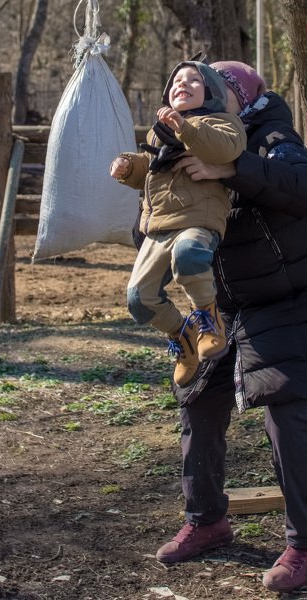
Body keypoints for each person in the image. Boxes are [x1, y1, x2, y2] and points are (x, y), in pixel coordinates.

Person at [154, 60, 307, 595]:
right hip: (222, 302)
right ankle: (207, 520)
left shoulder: (271, 134)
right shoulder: (178, 138)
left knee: (287, 411)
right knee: (198, 400)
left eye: (219, 90)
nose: (203, 96)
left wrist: (232, 169)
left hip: (291, 291)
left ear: (240, 97)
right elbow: (156, 218)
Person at [110, 60, 246, 387]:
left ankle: (210, 323)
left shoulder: (225, 122)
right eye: (176, 81)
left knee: (188, 254)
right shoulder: (159, 133)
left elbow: (223, 148)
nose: (181, 85)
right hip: (158, 226)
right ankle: (183, 338)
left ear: (211, 92)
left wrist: (185, 128)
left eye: (193, 81)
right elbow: (153, 167)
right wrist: (129, 167)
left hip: (199, 219)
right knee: (138, 299)